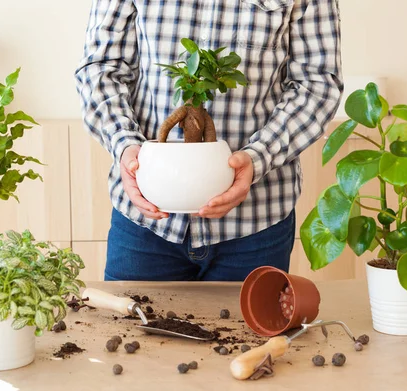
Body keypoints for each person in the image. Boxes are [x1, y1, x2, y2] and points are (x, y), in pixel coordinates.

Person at [74, 0, 343, 281]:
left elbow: (318, 84)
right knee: (130, 325)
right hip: (145, 224)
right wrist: (125, 145)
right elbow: (100, 69)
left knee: (245, 328)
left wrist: (258, 157)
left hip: (256, 222)